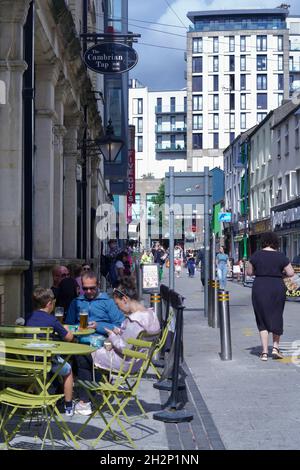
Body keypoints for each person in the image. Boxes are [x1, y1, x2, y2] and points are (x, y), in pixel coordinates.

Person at [74, 277, 160, 415]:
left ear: (125, 299)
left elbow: (124, 347)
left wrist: (112, 335)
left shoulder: (135, 321)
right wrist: (119, 331)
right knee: (91, 353)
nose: (119, 308)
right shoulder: (151, 315)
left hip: (125, 362)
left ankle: (84, 401)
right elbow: (133, 338)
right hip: (138, 361)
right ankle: (96, 394)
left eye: (118, 303)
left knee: (83, 356)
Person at [26, 287, 75, 416]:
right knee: (68, 369)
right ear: (49, 304)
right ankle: (68, 406)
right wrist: (66, 328)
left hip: (29, 361)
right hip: (46, 362)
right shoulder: (52, 320)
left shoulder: (28, 318)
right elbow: (69, 338)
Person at [246, 232, 294, 361]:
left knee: (262, 318)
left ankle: (264, 352)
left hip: (260, 286)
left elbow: (249, 272)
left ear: (263, 242)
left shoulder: (256, 255)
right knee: (277, 315)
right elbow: (291, 273)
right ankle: (276, 348)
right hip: (277, 286)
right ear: (275, 242)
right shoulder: (280, 256)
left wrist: (260, 271)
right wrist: (280, 273)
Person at [65, 271, 125, 336]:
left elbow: (120, 326)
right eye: (85, 288)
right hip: (80, 340)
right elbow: (69, 325)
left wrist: (98, 326)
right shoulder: (76, 302)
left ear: (98, 285)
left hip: (102, 341)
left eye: (92, 288)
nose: (88, 291)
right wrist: (78, 328)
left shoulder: (108, 302)